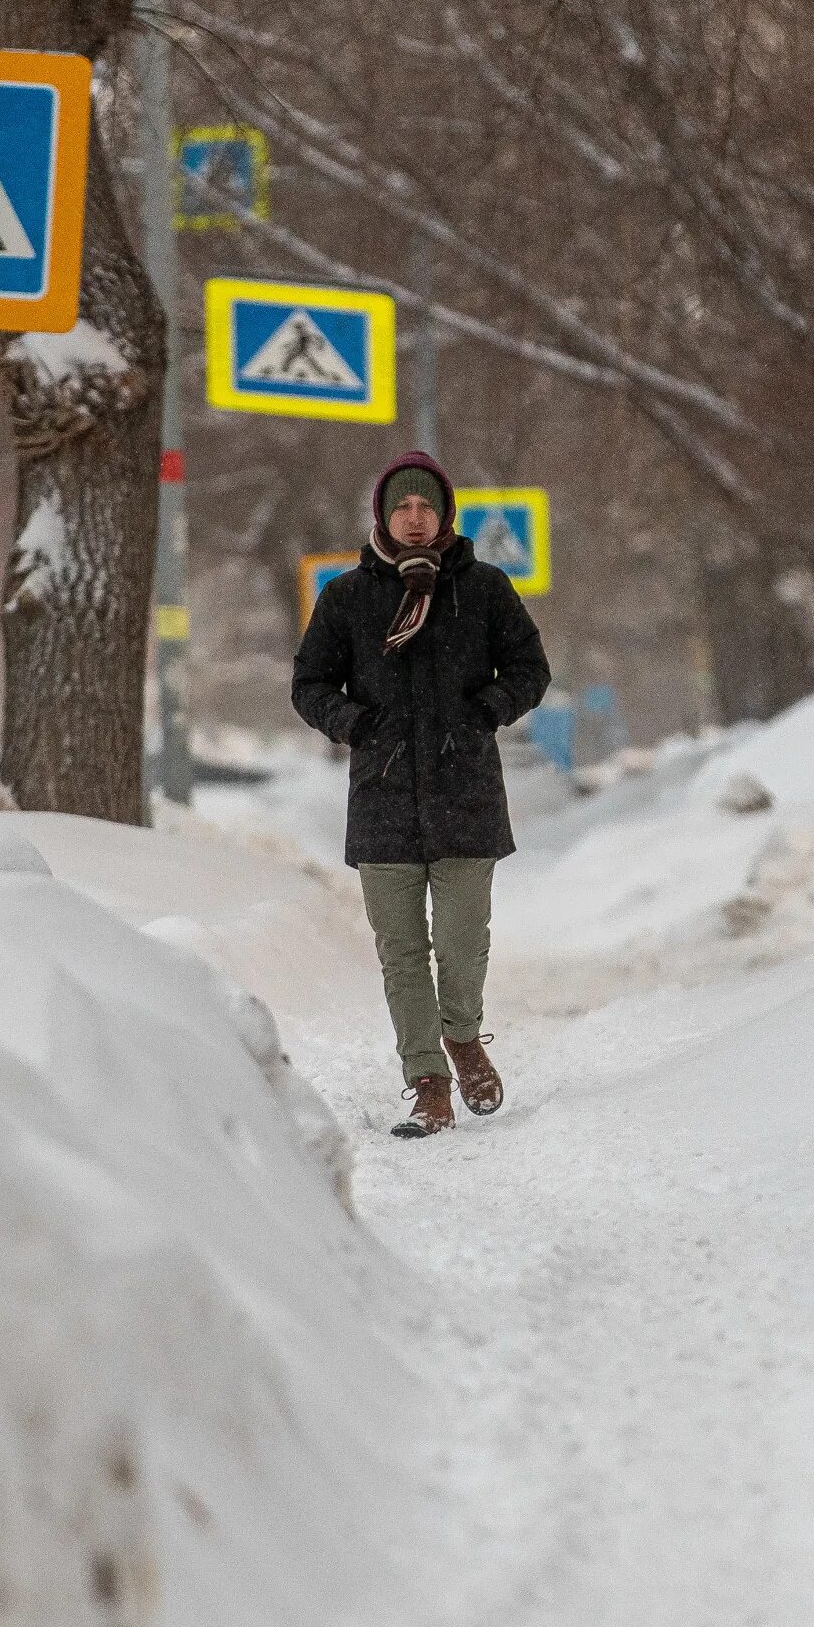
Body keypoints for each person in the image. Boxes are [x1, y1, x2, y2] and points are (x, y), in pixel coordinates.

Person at [292, 452, 551, 1139]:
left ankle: (462, 1038)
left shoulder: (485, 589)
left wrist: (486, 710)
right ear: (383, 514)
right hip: (381, 798)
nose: (413, 518)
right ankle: (428, 1082)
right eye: (402, 507)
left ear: (443, 516)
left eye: (425, 507)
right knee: (400, 950)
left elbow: (531, 667)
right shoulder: (348, 598)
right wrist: (354, 724)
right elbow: (309, 684)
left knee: (462, 943)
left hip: (465, 790)